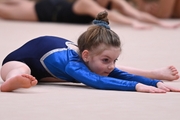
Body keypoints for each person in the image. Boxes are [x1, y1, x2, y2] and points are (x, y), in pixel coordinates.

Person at [1, 11, 180, 93]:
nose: (112, 65)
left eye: (114, 60)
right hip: (18, 59)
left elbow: (120, 74)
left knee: (106, 70)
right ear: (85, 55)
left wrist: (155, 83)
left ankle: (29, 77)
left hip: (45, 62)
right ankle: (12, 81)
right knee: (22, 69)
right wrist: (137, 87)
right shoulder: (73, 65)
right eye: (106, 60)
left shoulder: (92, 58)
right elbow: (99, 82)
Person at [0, 0, 180, 29]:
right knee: (4, 10)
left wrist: (161, 23)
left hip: (55, 6)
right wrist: (130, 24)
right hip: (46, 11)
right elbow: (105, 14)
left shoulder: (115, 1)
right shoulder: (87, 2)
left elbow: (136, 13)